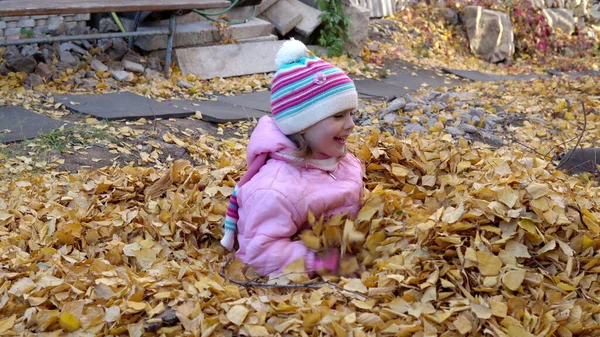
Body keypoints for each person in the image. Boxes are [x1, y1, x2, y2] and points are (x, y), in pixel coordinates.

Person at [220, 39, 363, 277]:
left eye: (351, 114)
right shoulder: (276, 190)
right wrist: (323, 262)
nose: (351, 125)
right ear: (303, 125)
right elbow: (259, 252)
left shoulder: (336, 157)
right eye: (339, 116)